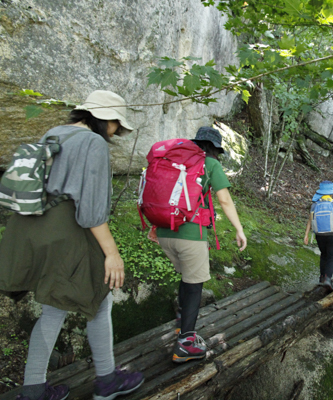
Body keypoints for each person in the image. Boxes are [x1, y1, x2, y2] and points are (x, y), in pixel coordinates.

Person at [0, 90, 144, 400]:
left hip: (33, 226)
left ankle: (36, 388)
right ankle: (104, 382)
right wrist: (112, 254)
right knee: (97, 294)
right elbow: (91, 212)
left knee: (57, 307)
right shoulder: (92, 143)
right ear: (105, 119)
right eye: (117, 124)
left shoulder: (55, 132)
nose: (116, 131)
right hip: (67, 230)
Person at [149, 126, 247, 363]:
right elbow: (224, 199)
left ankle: (182, 326)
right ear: (213, 148)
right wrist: (239, 228)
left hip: (164, 232)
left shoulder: (175, 161)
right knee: (194, 286)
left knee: (186, 277)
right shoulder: (210, 164)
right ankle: (185, 344)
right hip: (190, 235)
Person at [303, 181, 333, 291]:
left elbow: (310, 221)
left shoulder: (315, 204)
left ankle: (322, 278)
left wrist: (306, 234)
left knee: (323, 255)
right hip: (331, 234)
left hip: (319, 234)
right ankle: (327, 279)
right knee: (331, 257)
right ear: (330, 193)